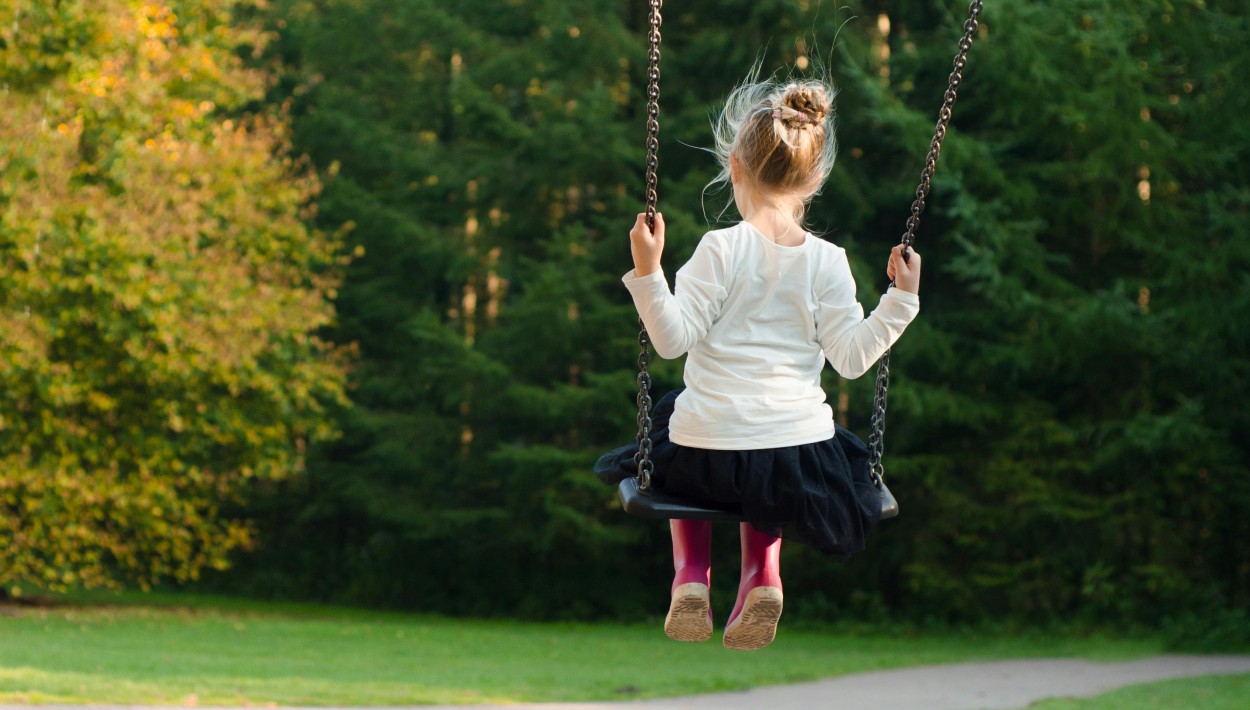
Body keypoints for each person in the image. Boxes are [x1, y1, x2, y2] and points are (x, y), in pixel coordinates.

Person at [596, 74, 921, 650]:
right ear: (814, 179)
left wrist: (649, 271)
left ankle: (691, 575)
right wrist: (900, 300)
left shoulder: (719, 249)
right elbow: (851, 359)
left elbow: (670, 340)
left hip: (706, 453)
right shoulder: (828, 261)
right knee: (769, 461)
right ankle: (763, 576)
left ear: (734, 168)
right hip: (795, 458)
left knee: (676, 425)